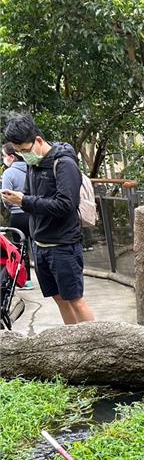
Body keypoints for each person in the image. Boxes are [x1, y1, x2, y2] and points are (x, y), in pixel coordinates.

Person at [2, 114, 95, 324]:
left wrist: (25, 201)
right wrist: (18, 200)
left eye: (25, 150)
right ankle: (74, 341)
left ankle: (98, 346)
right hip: (41, 244)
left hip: (63, 244)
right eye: (19, 153)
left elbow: (66, 205)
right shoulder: (33, 165)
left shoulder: (64, 164)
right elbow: (30, 197)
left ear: (39, 140)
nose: (24, 156)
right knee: (59, 298)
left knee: (75, 299)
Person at [1, 143, 33, 287]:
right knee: (37, 245)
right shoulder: (31, 168)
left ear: (11, 157)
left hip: (18, 215)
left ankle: (26, 280)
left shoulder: (9, 173)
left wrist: (11, 208)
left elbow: (5, 196)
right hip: (35, 213)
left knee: (20, 247)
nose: (3, 158)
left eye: (3, 155)